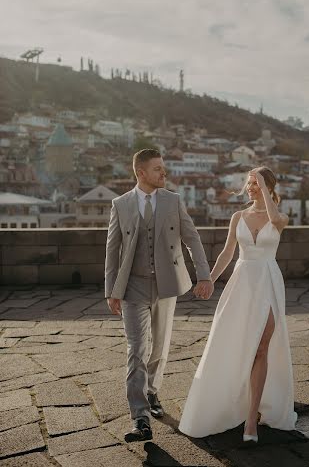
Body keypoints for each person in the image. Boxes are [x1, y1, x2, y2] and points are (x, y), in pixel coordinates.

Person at [179, 166, 297, 443]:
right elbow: (228, 252)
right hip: (241, 283)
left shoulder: (280, 218)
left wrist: (265, 190)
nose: (251, 187)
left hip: (267, 281)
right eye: (249, 182)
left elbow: (274, 216)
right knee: (235, 344)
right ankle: (232, 401)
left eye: (256, 183)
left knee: (261, 347)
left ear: (268, 187)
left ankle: (251, 420)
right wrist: (207, 279)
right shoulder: (238, 217)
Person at [105, 148, 213, 442]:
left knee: (160, 347)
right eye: (157, 169)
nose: (164, 173)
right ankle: (140, 418)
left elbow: (192, 238)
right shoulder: (121, 204)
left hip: (166, 285)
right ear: (141, 173)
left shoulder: (173, 201)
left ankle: (152, 392)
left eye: (163, 168)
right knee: (136, 350)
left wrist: (203, 274)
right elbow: (112, 250)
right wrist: (111, 291)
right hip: (132, 286)